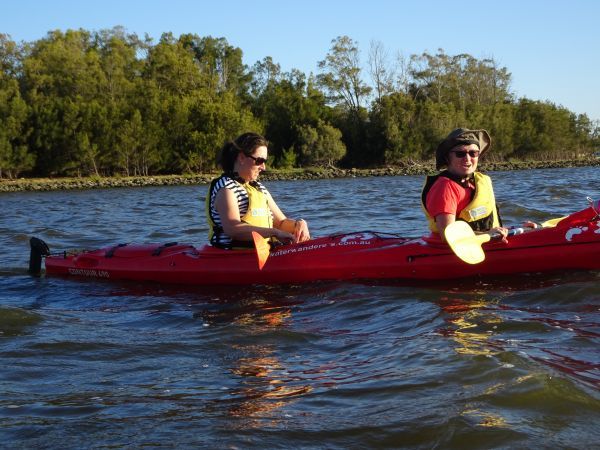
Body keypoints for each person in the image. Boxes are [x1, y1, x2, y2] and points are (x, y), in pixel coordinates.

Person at [421, 128, 536, 243]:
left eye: (473, 153)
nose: (467, 159)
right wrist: (488, 234)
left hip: (487, 241)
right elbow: (448, 236)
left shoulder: (478, 181)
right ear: (447, 157)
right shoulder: (444, 187)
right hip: (454, 250)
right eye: (460, 154)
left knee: (533, 231)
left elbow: (486, 226)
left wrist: (518, 229)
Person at [206, 132, 310, 249]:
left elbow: (281, 223)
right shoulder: (225, 188)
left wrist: (299, 224)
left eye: (265, 161)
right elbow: (233, 229)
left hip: (264, 252)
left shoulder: (259, 188)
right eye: (259, 161)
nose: (263, 167)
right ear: (241, 158)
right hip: (234, 256)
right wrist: (274, 232)